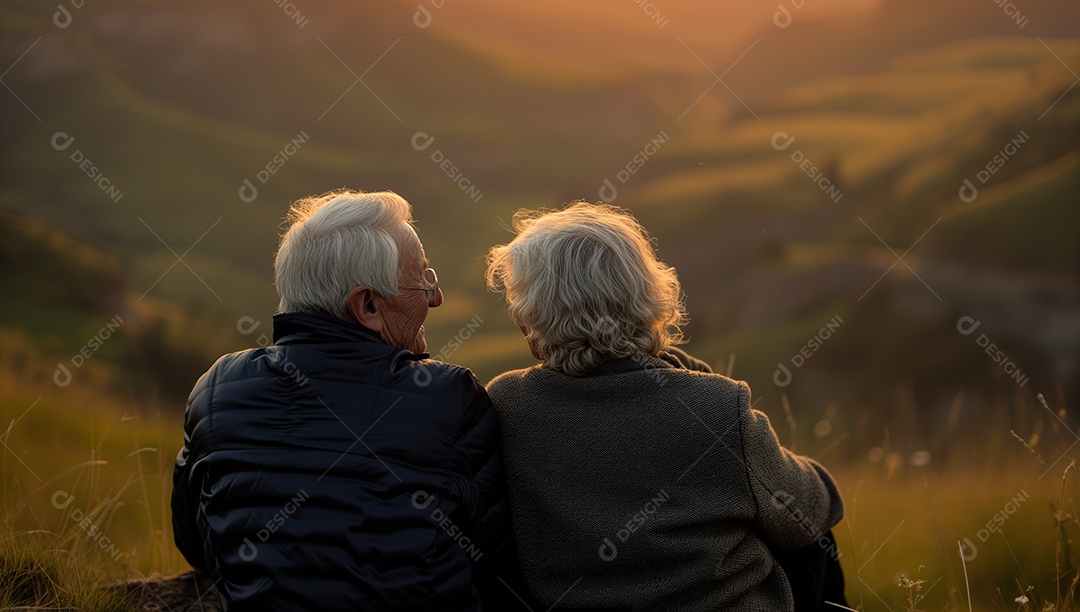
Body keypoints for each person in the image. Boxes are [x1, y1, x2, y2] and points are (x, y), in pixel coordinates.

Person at [484, 202, 848, 612]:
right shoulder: (717, 408)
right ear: (648, 292)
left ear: (534, 320)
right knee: (807, 533)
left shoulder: (507, 403)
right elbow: (815, 507)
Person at [172, 190, 510, 610]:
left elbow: (194, 539)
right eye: (421, 279)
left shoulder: (217, 387)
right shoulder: (450, 397)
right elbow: (494, 557)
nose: (434, 297)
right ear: (366, 305)